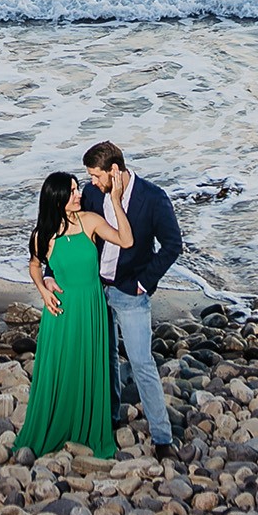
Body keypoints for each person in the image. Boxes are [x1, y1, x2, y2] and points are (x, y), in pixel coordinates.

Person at [13, 169, 133, 460]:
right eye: (72, 191)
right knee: (60, 368)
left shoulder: (89, 221)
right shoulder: (44, 236)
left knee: (88, 365)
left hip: (91, 308)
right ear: (58, 199)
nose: (79, 194)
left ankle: (87, 430)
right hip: (61, 312)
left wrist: (116, 201)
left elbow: (126, 240)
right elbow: (34, 266)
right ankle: (57, 428)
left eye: (77, 188)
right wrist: (43, 289)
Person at [79, 141, 183, 458]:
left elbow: (172, 245)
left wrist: (143, 282)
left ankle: (162, 437)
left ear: (115, 170)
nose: (92, 182)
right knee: (106, 358)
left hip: (130, 292)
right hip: (97, 288)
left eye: (96, 176)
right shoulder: (92, 193)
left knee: (141, 363)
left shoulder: (152, 198)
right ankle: (109, 418)